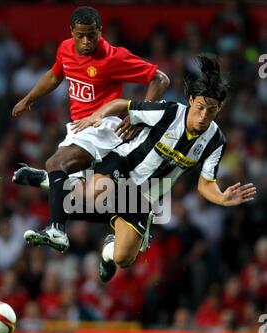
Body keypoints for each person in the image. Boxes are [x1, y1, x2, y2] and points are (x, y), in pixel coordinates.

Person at [63, 54, 256, 282]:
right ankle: (56, 178)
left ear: (220, 107)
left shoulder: (216, 142)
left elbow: (206, 184)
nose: (204, 116)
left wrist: (222, 198)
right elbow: (122, 104)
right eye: (201, 107)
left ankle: (108, 249)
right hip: (124, 164)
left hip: (145, 194)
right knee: (92, 193)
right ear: (191, 99)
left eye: (211, 110)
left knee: (123, 259)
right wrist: (95, 116)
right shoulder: (168, 112)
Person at [11, 6, 169, 252]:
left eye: (92, 35)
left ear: (100, 32)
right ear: (72, 32)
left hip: (103, 126)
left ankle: (57, 231)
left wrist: (138, 115)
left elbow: (160, 78)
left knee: (55, 164)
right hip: (78, 128)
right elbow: (55, 76)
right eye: (81, 35)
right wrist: (29, 98)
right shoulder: (65, 48)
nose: (86, 41)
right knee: (77, 200)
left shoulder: (113, 57)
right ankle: (135, 213)